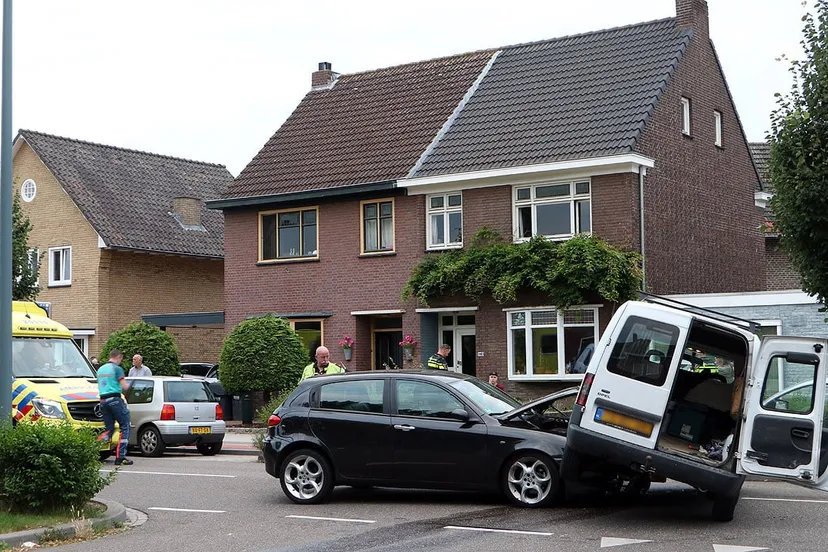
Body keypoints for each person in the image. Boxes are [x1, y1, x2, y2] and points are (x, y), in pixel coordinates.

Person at [96, 349, 133, 466]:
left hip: (102, 401)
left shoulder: (101, 369)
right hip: (115, 400)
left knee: (109, 429)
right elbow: (125, 386)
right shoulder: (117, 369)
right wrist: (130, 387)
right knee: (125, 426)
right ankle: (120, 457)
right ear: (118, 357)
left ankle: (93, 449)